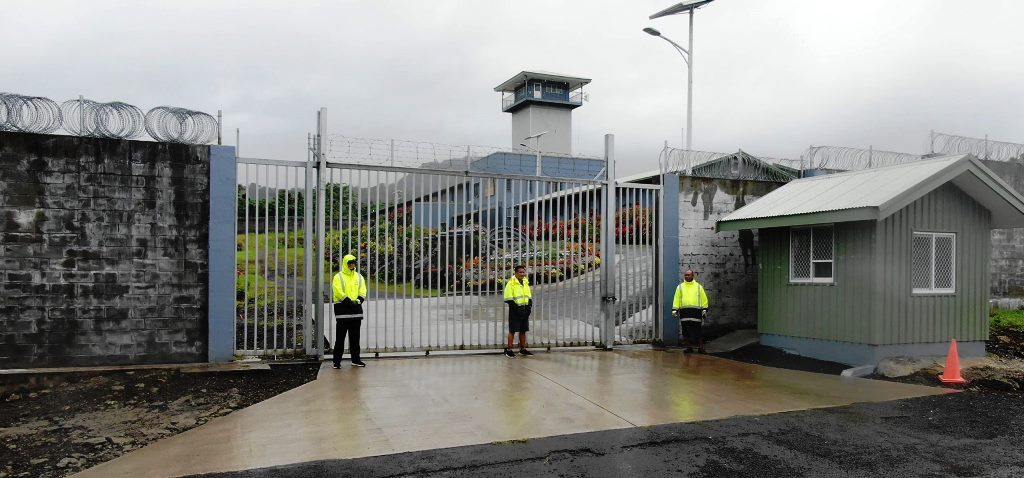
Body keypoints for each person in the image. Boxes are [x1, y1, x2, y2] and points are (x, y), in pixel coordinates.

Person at [332, 254, 368, 368]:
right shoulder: (338, 277)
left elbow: (363, 291)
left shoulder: (359, 277)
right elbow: (337, 291)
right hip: (343, 311)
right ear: (345, 263)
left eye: (353, 262)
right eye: (349, 262)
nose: (351, 264)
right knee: (340, 338)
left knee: (355, 338)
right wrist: (349, 302)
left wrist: (357, 301)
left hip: (356, 311)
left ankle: (356, 360)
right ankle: (336, 362)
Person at [672, 270, 709, 354]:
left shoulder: (698, 287)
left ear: (693, 276)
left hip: (696, 313)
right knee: (685, 332)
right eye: (685, 275)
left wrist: (704, 309)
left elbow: (704, 299)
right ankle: (689, 347)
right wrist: (675, 309)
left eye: (688, 275)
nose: (686, 276)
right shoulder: (680, 287)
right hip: (684, 312)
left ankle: (701, 348)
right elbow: (676, 298)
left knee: (698, 331)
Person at [502, 264, 533, 358]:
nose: (522, 274)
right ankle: (509, 350)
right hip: (515, 310)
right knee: (512, 330)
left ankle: (523, 349)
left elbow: (529, 296)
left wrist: (528, 309)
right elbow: (508, 299)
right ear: (515, 273)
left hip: (525, 309)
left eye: (523, 272)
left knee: (523, 330)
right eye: (520, 272)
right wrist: (517, 309)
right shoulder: (511, 283)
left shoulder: (525, 282)